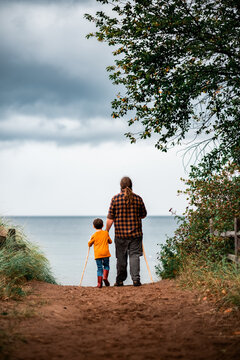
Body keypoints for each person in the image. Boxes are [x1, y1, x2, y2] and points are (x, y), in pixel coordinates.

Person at [106, 177, 147, 287]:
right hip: (136, 234)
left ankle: (120, 280)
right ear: (131, 185)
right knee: (134, 256)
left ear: (120, 186)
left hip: (120, 235)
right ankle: (136, 280)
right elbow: (143, 215)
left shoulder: (115, 199)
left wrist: (106, 231)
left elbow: (110, 218)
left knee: (121, 258)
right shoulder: (138, 199)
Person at [88, 218, 112, 288]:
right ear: (103, 225)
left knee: (99, 268)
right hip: (106, 253)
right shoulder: (106, 233)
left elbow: (89, 244)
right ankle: (105, 277)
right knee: (106, 266)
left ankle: (99, 284)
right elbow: (110, 242)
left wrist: (89, 241)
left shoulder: (94, 235)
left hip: (98, 254)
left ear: (93, 226)